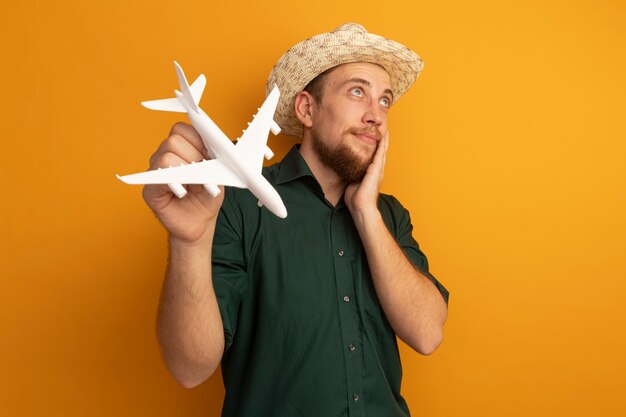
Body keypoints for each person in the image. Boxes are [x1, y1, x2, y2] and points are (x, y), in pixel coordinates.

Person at [143, 23, 449, 417]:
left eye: (385, 100)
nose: (376, 115)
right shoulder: (233, 204)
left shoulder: (389, 215)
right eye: (358, 92)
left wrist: (366, 213)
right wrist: (189, 243)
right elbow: (188, 369)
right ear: (307, 108)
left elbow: (427, 334)